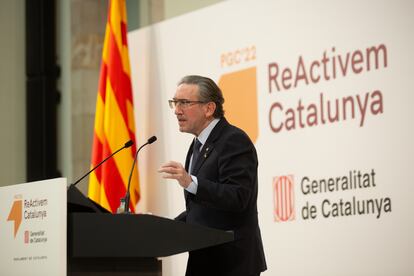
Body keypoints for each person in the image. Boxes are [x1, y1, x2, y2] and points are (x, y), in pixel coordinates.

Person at [158, 75, 267, 276]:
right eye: (175, 102)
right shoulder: (197, 145)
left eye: (184, 103)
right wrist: (160, 227)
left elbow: (238, 197)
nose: (177, 110)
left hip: (232, 263)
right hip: (204, 261)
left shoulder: (233, 140)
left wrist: (192, 182)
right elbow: (202, 211)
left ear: (209, 108)